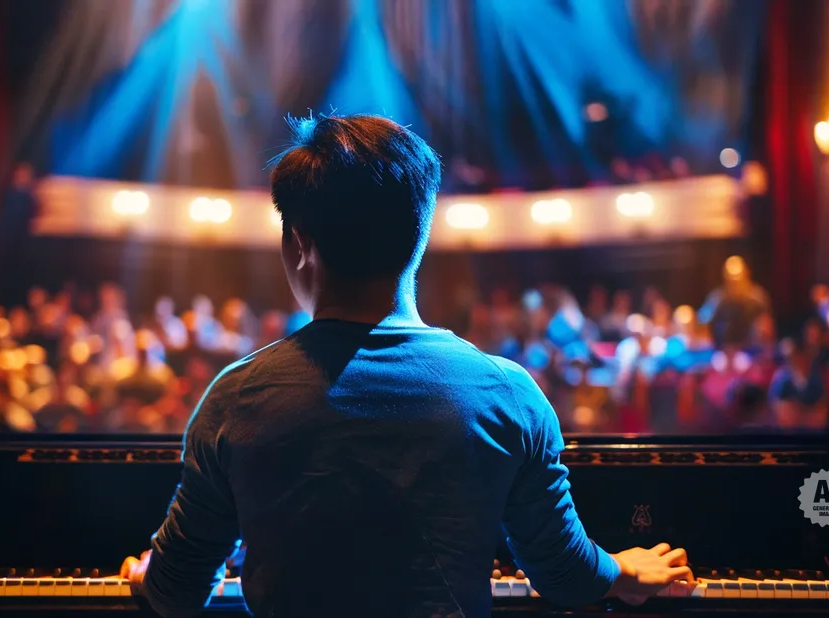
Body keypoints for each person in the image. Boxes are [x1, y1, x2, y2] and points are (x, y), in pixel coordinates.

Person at [119, 115, 692, 618]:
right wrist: (621, 569)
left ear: (299, 245)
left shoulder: (234, 399)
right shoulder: (509, 394)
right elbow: (564, 575)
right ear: (420, 236)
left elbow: (177, 592)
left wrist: (152, 576)